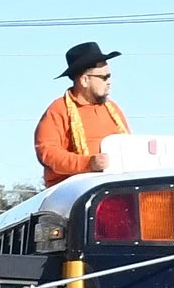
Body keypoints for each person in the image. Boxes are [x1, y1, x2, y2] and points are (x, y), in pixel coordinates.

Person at [36, 42, 128, 187]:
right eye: (104, 77)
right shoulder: (59, 109)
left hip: (114, 187)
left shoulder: (113, 109)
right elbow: (47, 152)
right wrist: (88, 163)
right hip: (72, 191)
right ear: (85, 80)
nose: (109, 82)